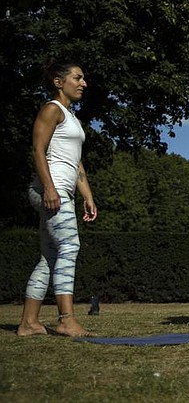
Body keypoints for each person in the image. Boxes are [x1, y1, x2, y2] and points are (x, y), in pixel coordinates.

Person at [17, 60, 98, 337]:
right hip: (50, 189)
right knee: (69, 246)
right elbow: (38, 150)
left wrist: (88, 196)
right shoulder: (51, 109)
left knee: (49, 258)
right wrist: (49, 188)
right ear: (58, 82)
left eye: (83, 78)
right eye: (78, 77)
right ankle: (66, 319)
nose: (83, 83)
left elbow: (76, 163)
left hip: (63, 189)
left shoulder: (71, 117)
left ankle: (29, 323)